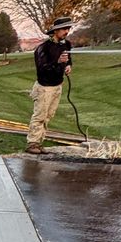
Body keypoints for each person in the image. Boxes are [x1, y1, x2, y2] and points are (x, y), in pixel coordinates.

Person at [25, 16, 73, 155]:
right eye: (64, 29)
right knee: (40, 115)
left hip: (57, 85)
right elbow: (41, 68)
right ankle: (32, 143)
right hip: (44, 86)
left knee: (48, 116)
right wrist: (57, 62)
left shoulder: (66, 45)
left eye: (68, 28)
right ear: (56, 30)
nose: (67, 31)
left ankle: (39, 143)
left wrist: (68, 66)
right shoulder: (43, 48)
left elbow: (69, 60)